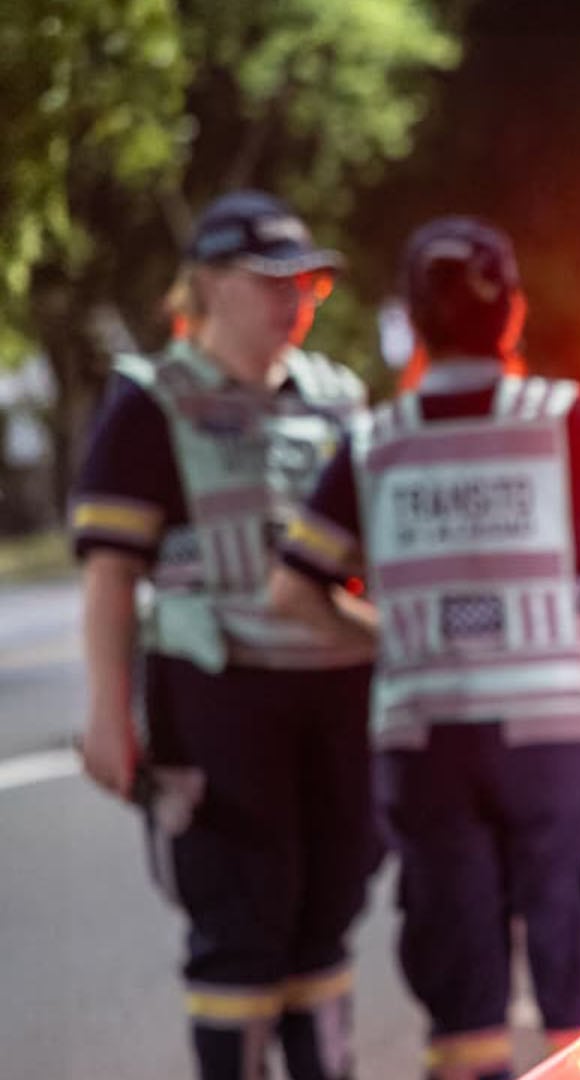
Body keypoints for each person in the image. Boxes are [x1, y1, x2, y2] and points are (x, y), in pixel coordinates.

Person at [267, 216, 580, 1080]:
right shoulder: (564, 416)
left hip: (425, 739)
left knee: (460, 987)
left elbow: (293, 590)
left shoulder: (372, 442)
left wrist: (397, 638)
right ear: (511, 312)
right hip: (559, 734)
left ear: (411, 317)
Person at [71, 189, 379, 1080]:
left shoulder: (336, 397)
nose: (298, 299)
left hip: (335, 690)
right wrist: (107, 714)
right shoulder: (150, 402)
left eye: (309, 281)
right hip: (215, 697)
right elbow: (111, 574)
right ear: (207, 283)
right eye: (273, 279)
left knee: (328, 909)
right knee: (241, 918)